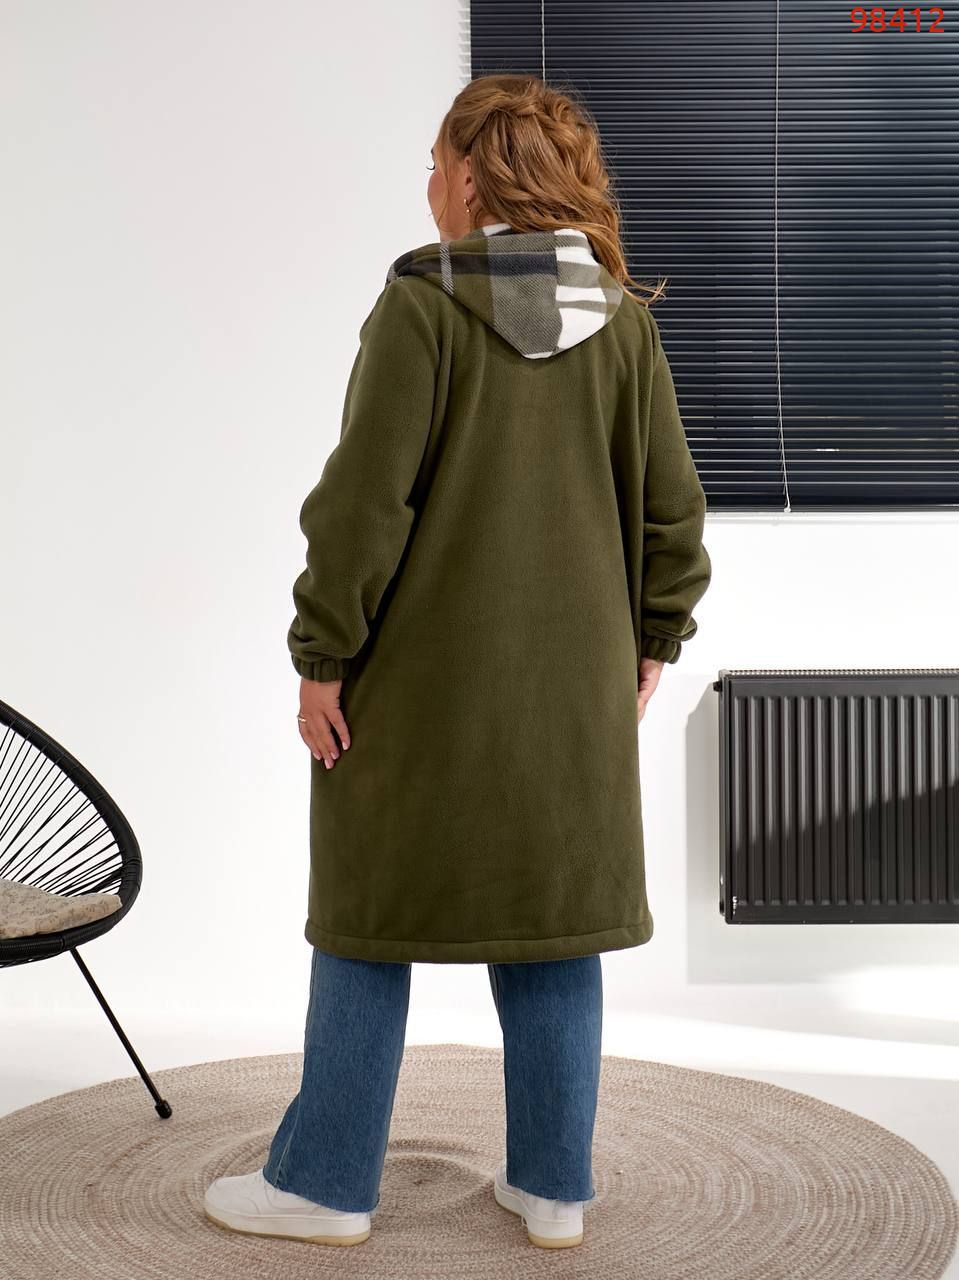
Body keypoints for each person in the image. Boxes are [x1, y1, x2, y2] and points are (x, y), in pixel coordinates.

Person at [204, 72, 711, 1250]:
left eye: (437, 163)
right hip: (572, 696)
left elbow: (359, 509)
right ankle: (553, 1186)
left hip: (415, 693)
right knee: (553, 916)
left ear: (472, 177)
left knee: (365, 912)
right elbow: (672, 513)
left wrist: (321, 655)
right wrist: (652, 636)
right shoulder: (622, 322)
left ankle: (324, 1184)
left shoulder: (421, 306)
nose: (428, 183)